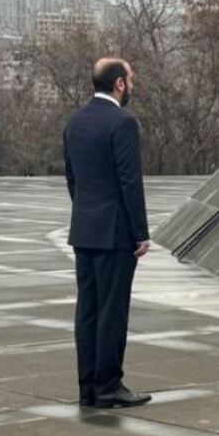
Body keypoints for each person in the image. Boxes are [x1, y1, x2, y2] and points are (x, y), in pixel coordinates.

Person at [63, 58, 152, 409]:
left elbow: (73, 178)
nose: (132, 85)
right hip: (115, 232)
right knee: (113, 312)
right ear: (118, 84)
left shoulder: (75, 121)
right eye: (130, 79)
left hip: (84, 229)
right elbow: (130, 182)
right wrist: (140, 233)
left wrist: (86, 214)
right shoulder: (123, 122)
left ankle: (88, 387)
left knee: (88, 311)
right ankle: (109, 385)